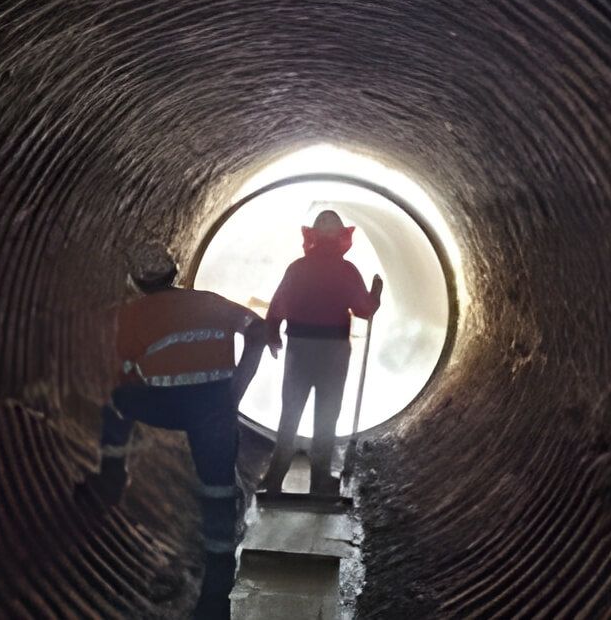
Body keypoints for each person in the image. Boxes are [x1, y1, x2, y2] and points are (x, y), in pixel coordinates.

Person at [76, 244, 265, 620]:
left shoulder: (132, 315)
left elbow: (125, 372)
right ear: (174, 274)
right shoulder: (211, 301)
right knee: (217, 493)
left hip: (173, 405)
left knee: (117, 401)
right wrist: (237, 388)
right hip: (214, 411)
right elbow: (258, 329)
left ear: (135, 282)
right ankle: (216, 595)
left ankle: (112, 477)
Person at [260, 210, 382, 495]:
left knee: (290, 412)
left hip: (299, 348)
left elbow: (278, 305)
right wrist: (376, 293)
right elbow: (364, 310)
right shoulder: (347, 270)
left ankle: (274, 478)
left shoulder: (298, 267)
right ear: (342, 238)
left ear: (312, 236)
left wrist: (272, 335)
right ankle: (320, 480)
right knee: (327, 414)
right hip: (334, 350)